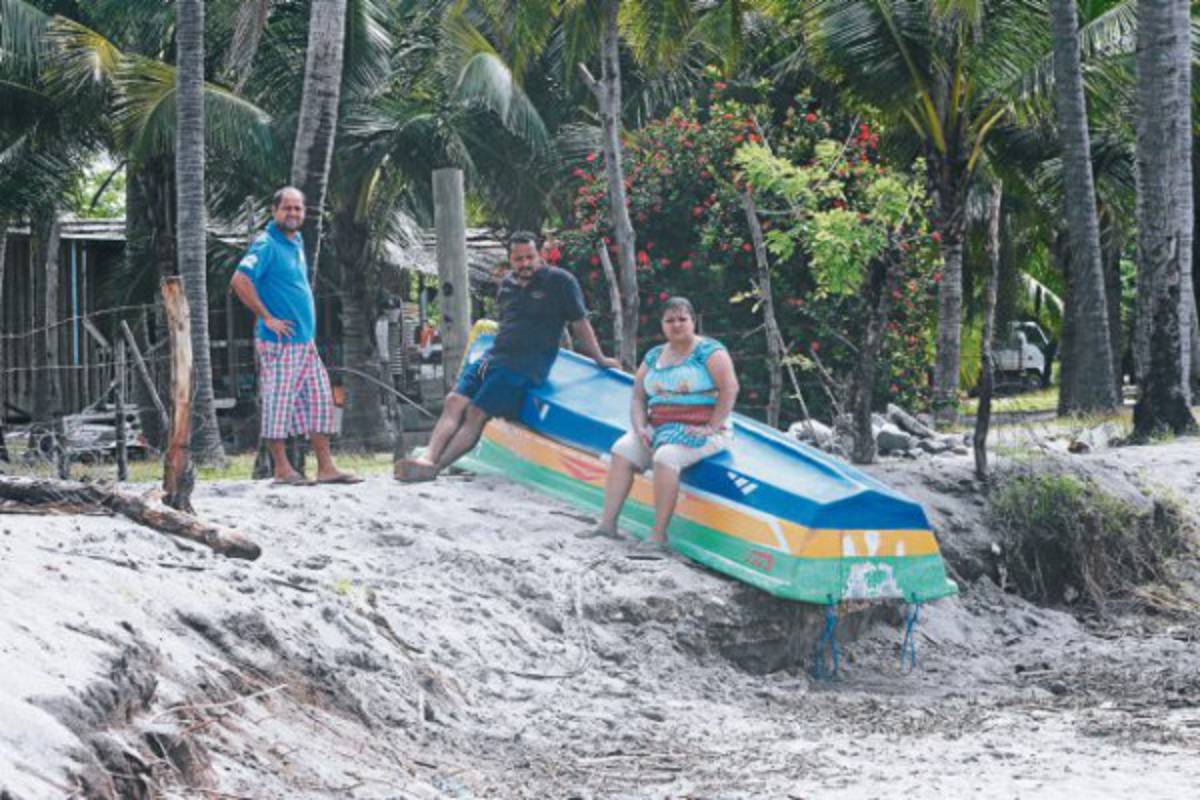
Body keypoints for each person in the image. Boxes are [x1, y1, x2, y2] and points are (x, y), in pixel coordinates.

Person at [398, 231, 621, 481]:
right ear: (510, 259)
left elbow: (580, 324)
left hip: (522, 367)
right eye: (518, 259)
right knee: (453, 401)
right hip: (492, 360)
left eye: (530, 257)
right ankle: (427, 458)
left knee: (475, 414)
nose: (525, 264)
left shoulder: (561, 282)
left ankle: (435, 469)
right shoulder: (507, 284)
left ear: (540, 255)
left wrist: (600, 358)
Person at [230, 186, 361, 486]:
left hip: (304, 342)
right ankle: (282, 469)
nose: (293, 214)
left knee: (318, 400)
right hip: (280, 344)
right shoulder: (266, 244)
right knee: (278, 403)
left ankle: (326, 467)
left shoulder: (296, 241)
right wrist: (267, 317)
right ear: (274, 211)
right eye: (287, 208)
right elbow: (239, 280)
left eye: (298, 208)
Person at [586, 296, 738, 545]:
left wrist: (711, 426)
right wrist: (641, 427)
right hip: (658, 426)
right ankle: (607, 525)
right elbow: (637, 397)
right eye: (670, 320)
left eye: (682, 319)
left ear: (693, 321)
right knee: (622, 450)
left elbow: (729, 389)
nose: (676, 325)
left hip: (704, 429)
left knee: (665, 457)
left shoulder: (710, 352)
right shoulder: (654, 355)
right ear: (662, 324)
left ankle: (658, 535)